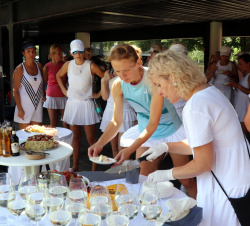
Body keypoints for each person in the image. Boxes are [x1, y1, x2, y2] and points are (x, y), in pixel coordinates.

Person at [142, 49, 250, 225]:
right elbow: (202, 143)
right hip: (238, 177)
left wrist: (167, 174)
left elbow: (203, 163)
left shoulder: (195, 106)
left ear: (173, 77)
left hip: (226, 186)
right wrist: (167, 146)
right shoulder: (210, 91)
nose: (159, 92)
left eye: (159, 85)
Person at [88, 44, 197, 198]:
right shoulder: (118, 85)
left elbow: (154, 123)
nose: (122, 76)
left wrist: (129, 149)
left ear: (139, 62)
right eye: (117, 71)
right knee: (144, 179)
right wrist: (99, 143)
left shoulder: (153, 80)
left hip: (171, 130)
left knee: (186, 181)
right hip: (146, 132)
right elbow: (116, 121)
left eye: (126, 70)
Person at [56, 39, 104, 171]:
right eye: (75, 52)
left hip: (86, 104)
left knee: (91, 138)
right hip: (72, 103)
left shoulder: (91, 65)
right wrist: (64, 91)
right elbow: (58, 75)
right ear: (71, 53)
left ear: (84, 52)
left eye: (80, 51)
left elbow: (105, 76)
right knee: (75, 137)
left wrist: (99, 93)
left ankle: (94, 169)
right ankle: (75, 166)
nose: (78, 54)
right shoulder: (68, 65)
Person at [100, 69, 137, 157]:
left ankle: (124, 169)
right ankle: (116, 169)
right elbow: (105, 97)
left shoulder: (130, 73)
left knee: (122, 148)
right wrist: (103, 81)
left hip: (126, 111)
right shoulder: (108, 72)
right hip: (110, 110)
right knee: (114, 148)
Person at [13, 40, 45, 129]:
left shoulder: (39, 66)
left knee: (35, 134)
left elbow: (42, 81)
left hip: (37, 105)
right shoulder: (19, 69)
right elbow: (15, 90)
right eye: (28, 51)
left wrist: (44, 94)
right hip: (24, 106)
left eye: (33, 51)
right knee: (24, 136)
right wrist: (19, 109)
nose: (31, 53)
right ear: (23, 53)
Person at [43, 44, 68, 128]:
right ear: (52, 54)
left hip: (63, 95)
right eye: (59, 53)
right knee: (53, 123)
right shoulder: (47, 67)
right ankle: (52, 140)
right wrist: (43, 94)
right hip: (51, 96)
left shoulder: (65, 65)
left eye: (61, 53)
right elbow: (44, 81)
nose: (61, 55)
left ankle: (67, 141)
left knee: (66, 122)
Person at [227, 53, 250, 136]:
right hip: (240, 106)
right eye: (238, 64)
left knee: (243, 133)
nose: (239, 66)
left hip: (244, 107)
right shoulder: (244, 76)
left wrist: (237, 86)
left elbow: (249, 92)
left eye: (241, 64)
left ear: (248, 64)